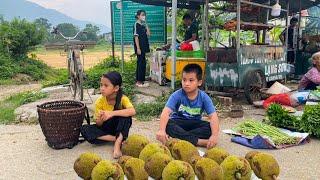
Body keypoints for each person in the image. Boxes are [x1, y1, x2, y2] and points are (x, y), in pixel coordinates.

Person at [156, 64, 220, 149]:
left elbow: (213, 116)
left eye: (191, 80)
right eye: (184, 80)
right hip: (179, 122)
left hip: (194, 123)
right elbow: (166, 112)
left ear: (199, 82)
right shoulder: (176, 95)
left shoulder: (204, 97)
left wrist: (214, 136)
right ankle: (199, 142)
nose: (186, 83)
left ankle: (179, 138)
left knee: (209, 128)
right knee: (167, 124)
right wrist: (161, 130)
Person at [80, 71, 136, 159]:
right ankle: (116, 139)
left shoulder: (122, 99)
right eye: (101, 85)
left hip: (119, 128)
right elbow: (98, 124)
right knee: (84, 129)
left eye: (106, 86)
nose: (102, 88)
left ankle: (117, 145)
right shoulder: (100, 102)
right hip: (106, 129)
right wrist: (101, 119)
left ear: (116, 88)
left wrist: (112, 113)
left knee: (126, 116)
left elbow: (132, 111)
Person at [133, 9, 150, 87]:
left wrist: (146, 23)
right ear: (138, 16)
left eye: (144, 15)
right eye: (142, 14)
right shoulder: (136, 24)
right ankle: (139, 82)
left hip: (144, 47)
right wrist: (138, 48)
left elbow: (149, 34)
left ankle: (141, 80)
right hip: (140, 47)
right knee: (140, 63)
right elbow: (136, 37)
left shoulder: (142, 25)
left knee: (143, 63)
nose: (144, 16)